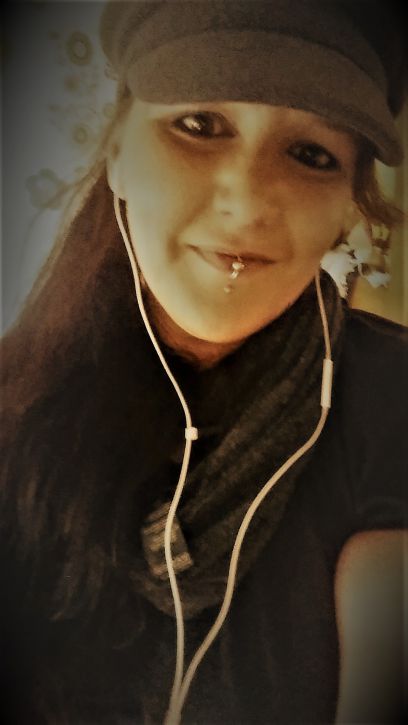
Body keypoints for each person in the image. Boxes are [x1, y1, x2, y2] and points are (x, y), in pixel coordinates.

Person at [1, 1, 407, 723]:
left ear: (349, 209)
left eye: (311, 154)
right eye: (199, 124)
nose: (246, 201)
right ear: (117, 152)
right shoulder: (12, 404)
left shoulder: (392, 400)